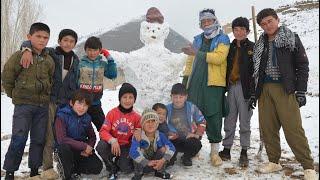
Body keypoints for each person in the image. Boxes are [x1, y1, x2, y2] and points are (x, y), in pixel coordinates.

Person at [251, 8, 316, 179]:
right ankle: (274, 161)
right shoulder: (260, 43)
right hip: (264, 90)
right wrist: (254, 93)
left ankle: (308, 166)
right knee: (268, 127)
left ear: (277, 19)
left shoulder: (291, 38)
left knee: (293, 128)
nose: (267, 26)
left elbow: (302, 66)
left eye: (270, 21)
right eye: (263, 24)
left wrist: (301, 90)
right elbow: (256, 70)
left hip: (285, 89)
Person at [19, 28, 80, 179]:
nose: (68, 43)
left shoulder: (76, 60)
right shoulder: (51, 53)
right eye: (65, 40)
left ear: (75, 44)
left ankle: (65, 164)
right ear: (59, 41)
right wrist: (26, 49)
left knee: (64, 135)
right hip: (51, 101)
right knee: (49, 135)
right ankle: (47, 167)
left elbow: (75, 81)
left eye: (71, 41)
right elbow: (31, 43)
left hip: (66, 104)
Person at [1, 22, 55, 180]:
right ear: (29, 37)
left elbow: (50, 79)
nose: (42, 40)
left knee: (38, 139)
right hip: (23, 106)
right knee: (19, 137)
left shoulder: (49, 60)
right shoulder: (19, 56)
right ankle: (10, 171)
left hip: (42, 107)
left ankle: (34, 170)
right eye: (38, 36)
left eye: (46, 37)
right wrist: (15, 95)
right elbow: (7, 77)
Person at [181, 8, 230, 167]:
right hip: (195, 82)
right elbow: (190, 62)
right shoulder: (197, 39)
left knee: (213, 116)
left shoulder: (223, 39)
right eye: (203, 22)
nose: (206, 24)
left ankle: (215, 152)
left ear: (215, 21)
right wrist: (185, 82)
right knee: (194, 116)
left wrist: (198, 52)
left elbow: (219, 58)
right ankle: (192, 149)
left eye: (209, 20)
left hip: (213, 84)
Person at [218, 17, 254, 168]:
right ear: (233, 31)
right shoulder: (229, 46)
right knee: (230, 119)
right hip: (231, 87)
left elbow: (256, 72)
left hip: (245, 89)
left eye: (242, 29)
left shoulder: (253, 47)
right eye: (236, 29)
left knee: (245, 122)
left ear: (247, 31)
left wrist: (253, 93)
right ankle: (226, 149)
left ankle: (244, 152)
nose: (239, 32)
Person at [53, 90, 103, 180]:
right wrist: (84, 146)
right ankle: (66, 172)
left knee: (97, 167)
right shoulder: (62, 116)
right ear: (72, 103)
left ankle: (74, 169)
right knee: (64, 148)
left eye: (85, 105)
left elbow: (92, 136)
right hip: (66, 150)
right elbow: (62, 139)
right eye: (79, 103)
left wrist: (89, 147)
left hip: (80, 150)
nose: (82, 108)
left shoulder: (87, 118)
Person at [96, 83, 141, 180]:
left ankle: (119, 162)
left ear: (134, 100)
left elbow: (139, 133)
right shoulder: (112, 113)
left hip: (126, 147)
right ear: (120, 98)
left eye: (131, 97)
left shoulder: (137, 117)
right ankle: (110, 165)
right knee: (101, 146)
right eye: (124, 97)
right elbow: (103, 131)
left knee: (126, 169)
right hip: (113, 145)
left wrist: (139, 132)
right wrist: (112, 140)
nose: (127, 100)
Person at [78, 36, 117, 131]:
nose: (92, 53)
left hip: (96, 103)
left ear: (100, 51)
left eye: (95, 50)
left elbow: (112, 75)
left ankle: (105, 145)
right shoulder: (80, 64)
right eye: (89, 50)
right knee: (81, 130)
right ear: (85, 50)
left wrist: (109, 59)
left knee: (104, 129)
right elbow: (74, 80)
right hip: (81, 104)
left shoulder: (102, 64)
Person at [166, 83, 206, 167]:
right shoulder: (167, 109)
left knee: (196, 145)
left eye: (181, 97)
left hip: (188, 139)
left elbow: (202, 121)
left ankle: (186, 157)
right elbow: (160, 122)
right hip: (173, 140)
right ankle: (172, 156)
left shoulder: (192, 107)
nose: (178, 100)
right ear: (171, 96)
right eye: (175, 97)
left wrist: (197, 135)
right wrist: (168, 134)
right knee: (169, 162)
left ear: (186, 97)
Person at [130, 108, 175, 180]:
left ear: (157, 124)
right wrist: (146, 162)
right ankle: (138, 174)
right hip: (143, 164)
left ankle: (159, 171)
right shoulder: (138, 136)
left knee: (163, 149)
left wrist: (163, 160)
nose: (150, 124)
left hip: (157, 164)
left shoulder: (160, 135)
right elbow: (133, 151)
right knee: (139, 151)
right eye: (147, 122)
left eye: (153, 121)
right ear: (142, 124)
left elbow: (171, 147)